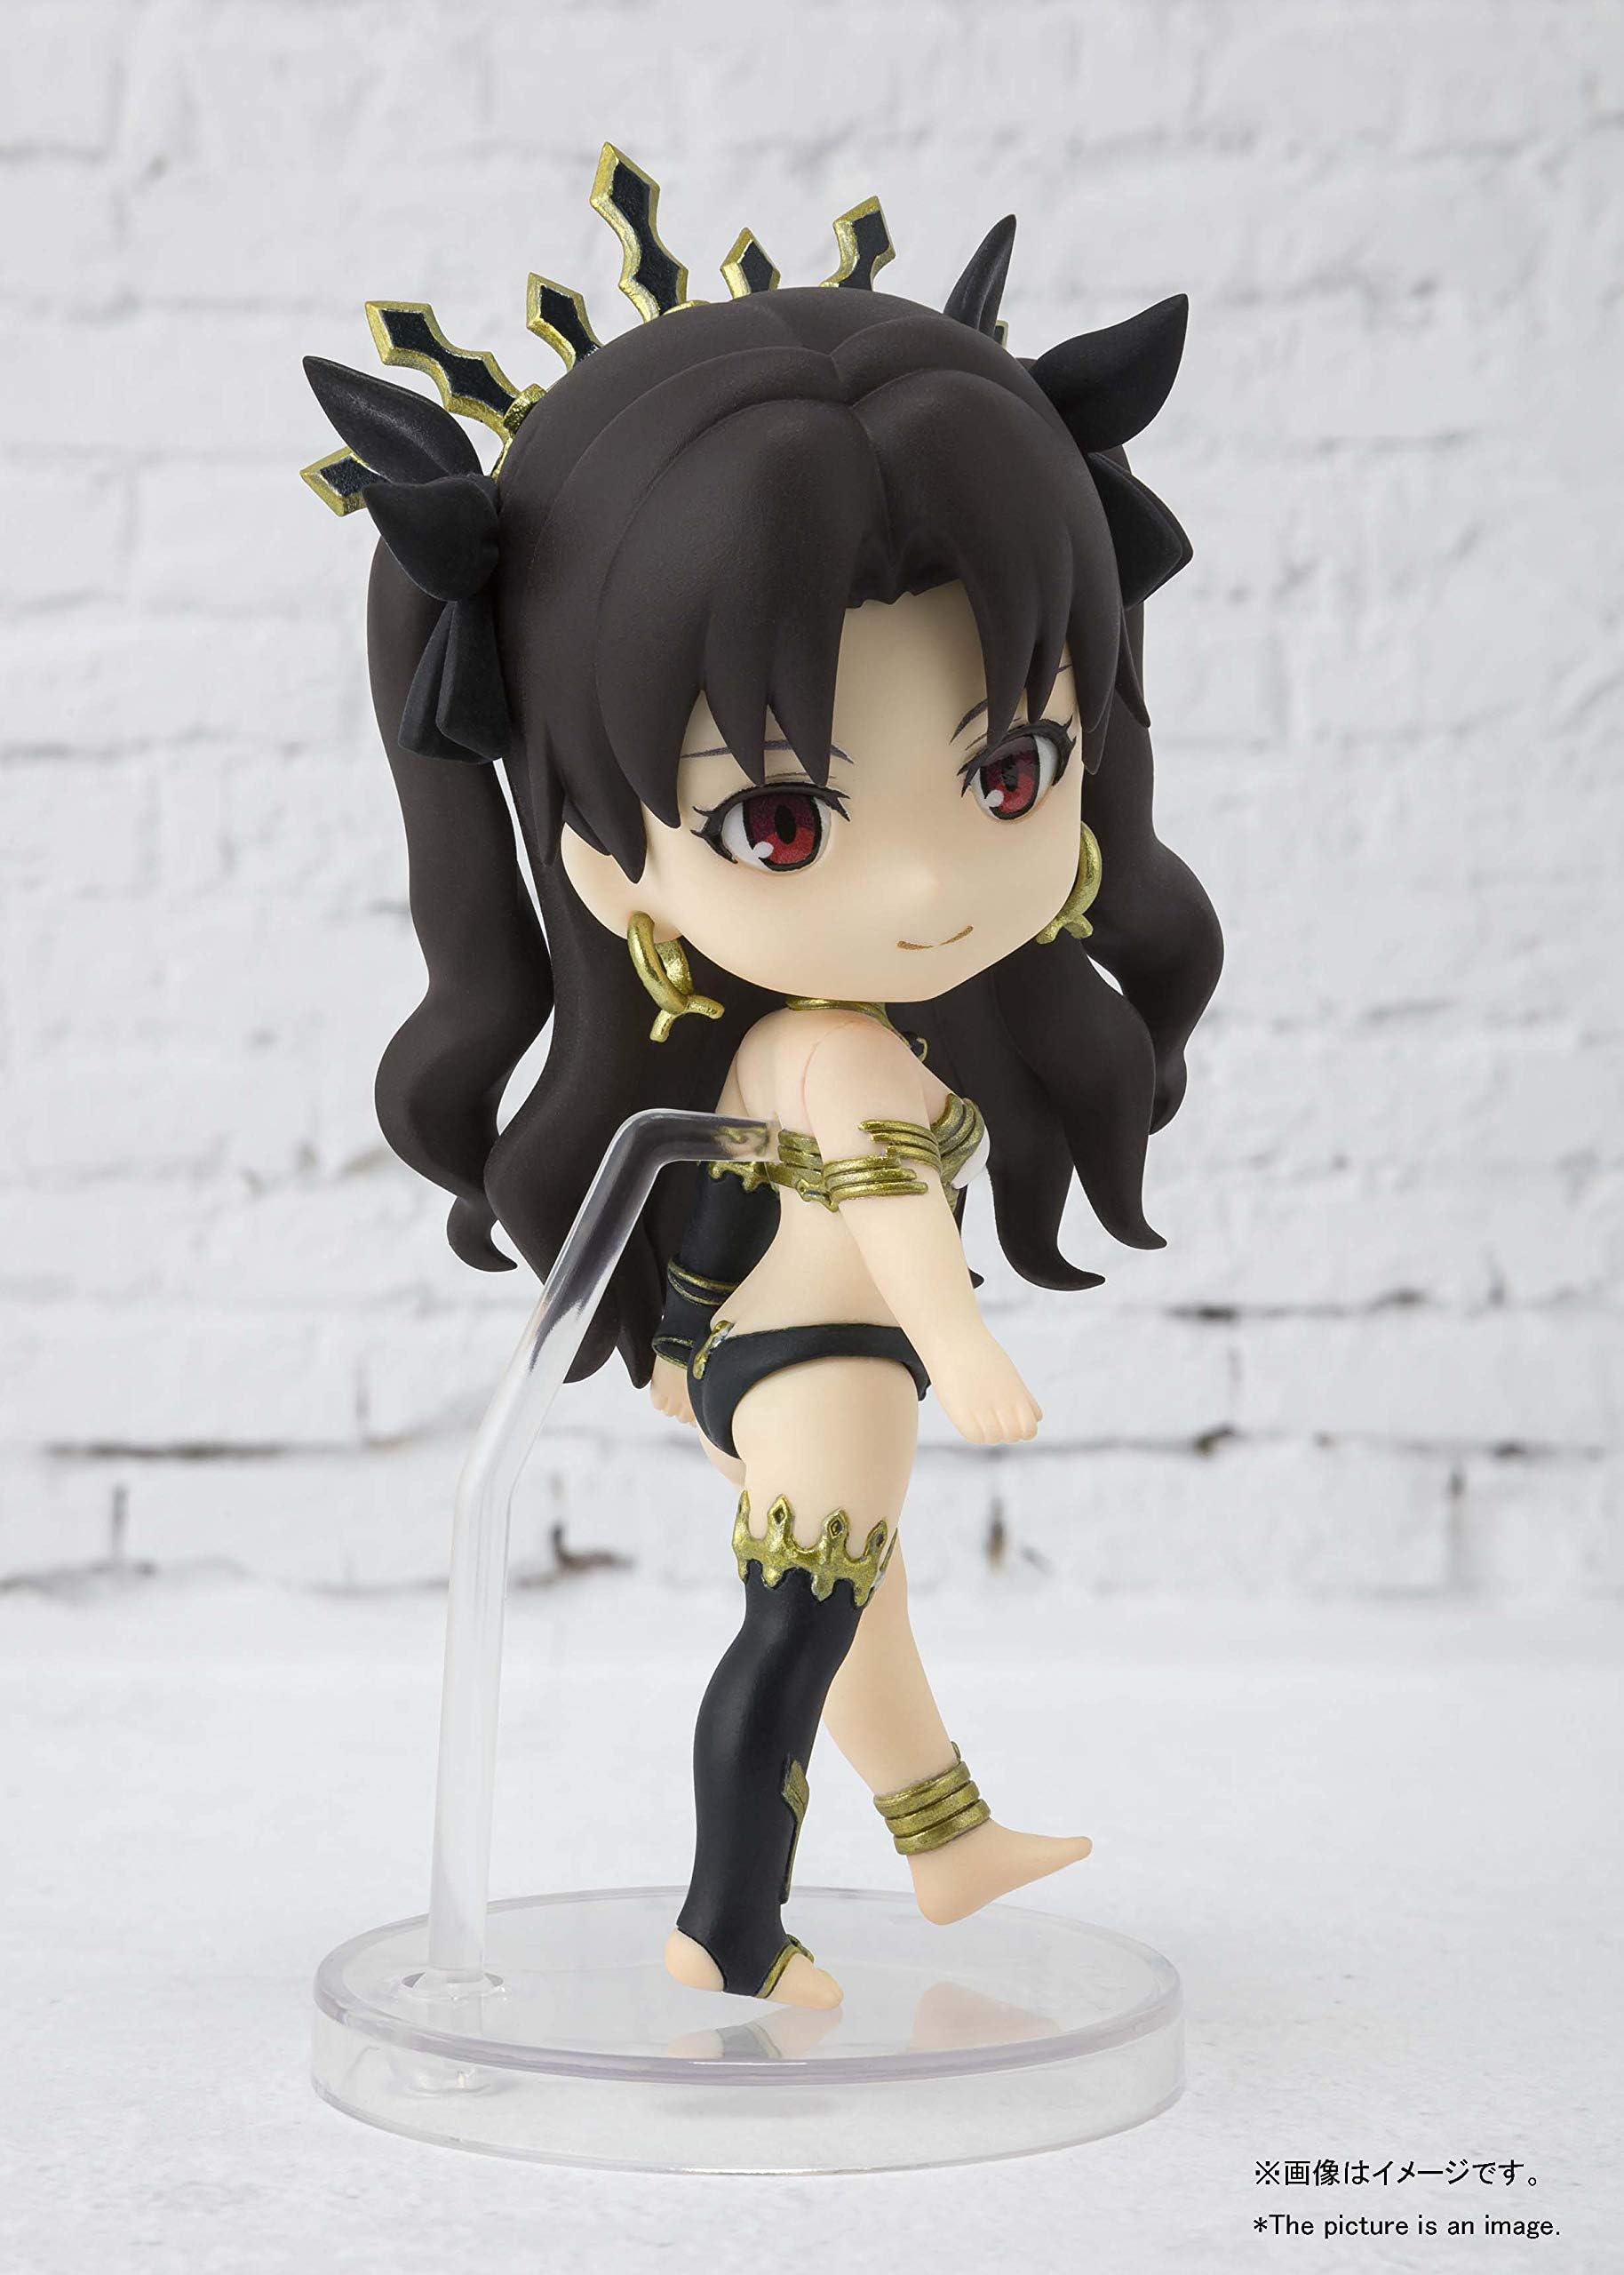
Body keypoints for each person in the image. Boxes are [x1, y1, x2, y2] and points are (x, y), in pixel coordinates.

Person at [303, 146, 1221, 2008]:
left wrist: (726, 1339)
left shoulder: (819, 1038)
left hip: (767, 1342)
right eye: (781, 821)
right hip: (832, 1352)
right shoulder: (832, 1046)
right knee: (795, 1628)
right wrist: (963, 1345)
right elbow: (891, 1213)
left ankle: (945, 1843)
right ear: (603, 860)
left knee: (860, 1598)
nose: (926, 887)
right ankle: (728, 1923)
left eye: (1010, 773)